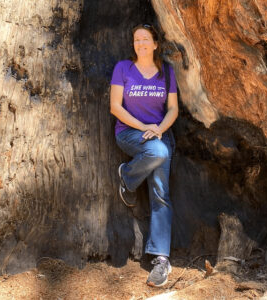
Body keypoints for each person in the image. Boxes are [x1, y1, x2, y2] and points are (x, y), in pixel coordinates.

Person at [110, 23, 178, 287]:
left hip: (160, 133)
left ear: (155, 43)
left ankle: (161, 259)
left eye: (145, 39)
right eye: (136, 40)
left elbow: (173, 109)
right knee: (159, 151)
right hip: (130, 133)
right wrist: (144, 127)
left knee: (161, 192)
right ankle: (128, 176)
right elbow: (115, 107)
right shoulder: (123, 69)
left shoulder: (167, 72)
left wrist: (159, 128)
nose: (140, 44)